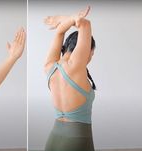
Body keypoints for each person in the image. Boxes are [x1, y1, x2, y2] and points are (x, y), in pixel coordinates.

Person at [43, 6, 96, 151]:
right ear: (87, 50)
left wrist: (61, 20)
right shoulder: (76, 66)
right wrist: (62, 18)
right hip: (77, 143)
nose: (90, 57)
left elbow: (60, 31)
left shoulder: (49, 67)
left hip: (52, 141)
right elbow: (85, 24)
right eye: (91, 53)